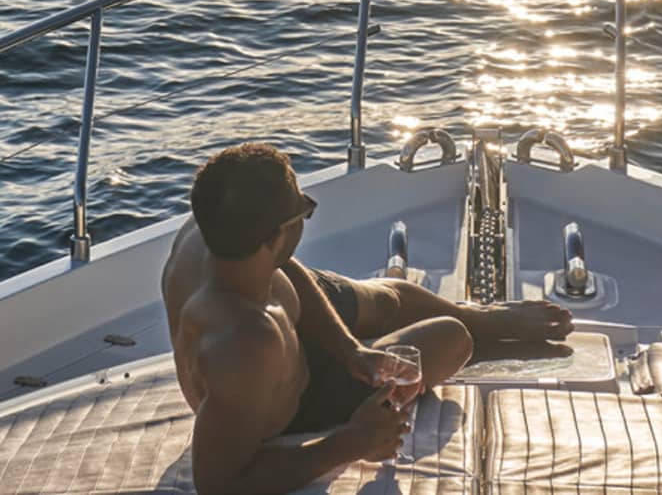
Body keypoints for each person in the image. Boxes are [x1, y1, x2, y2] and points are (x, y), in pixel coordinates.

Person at [162, 141, 573, 495]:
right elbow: (218, 483)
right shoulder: (242, 345)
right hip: (285, 400)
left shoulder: (216, 231)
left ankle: (481, 317)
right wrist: (350, 442)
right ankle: (469, 324)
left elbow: (285, 268)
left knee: (392, 299)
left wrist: (351, 351)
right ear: (275, 236)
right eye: (303, 212)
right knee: (451, 339)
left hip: (283, 310)